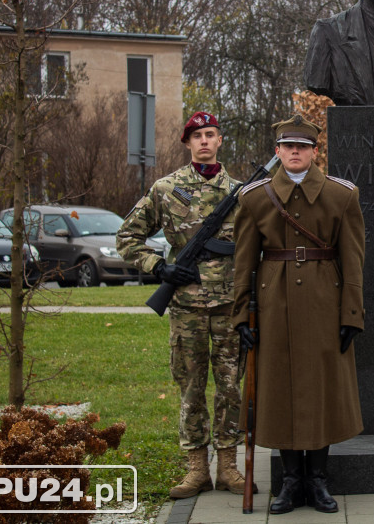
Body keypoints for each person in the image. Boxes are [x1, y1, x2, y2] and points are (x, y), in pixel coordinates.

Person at [232, 115, 365, 515]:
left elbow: (354, 258)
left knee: (322, 387)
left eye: (302, 146)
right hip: (272, 305)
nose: (294, 152)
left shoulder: (342, 195)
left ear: (314, 151)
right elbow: (243, 261)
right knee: (280, 387)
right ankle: (290, 481)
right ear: (277, 151)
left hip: (326, 301)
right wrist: (241, 316)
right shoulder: (254, 198)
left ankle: (318, 480)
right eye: (288, 146)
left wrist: (352, 314)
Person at [116, 111, 250, 498]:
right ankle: (196, 469)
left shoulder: (241, 192)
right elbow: (127, 237)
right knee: (191, 388)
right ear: (187, 143)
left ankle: (227, 466)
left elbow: (256, 246)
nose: (204, 141)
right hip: (187, 308)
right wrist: (159, 268)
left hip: (229, 306)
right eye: (197, 136)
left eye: (211, 135)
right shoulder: (166, 188)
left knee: (230, 388)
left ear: (220, 140)